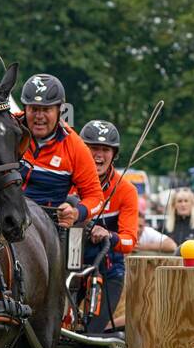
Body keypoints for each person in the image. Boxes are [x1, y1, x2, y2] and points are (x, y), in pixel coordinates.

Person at [15, 73, 103, 227]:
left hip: (43, 224)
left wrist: (76, 213)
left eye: (46, 109)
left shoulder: (76, 147)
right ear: (25, 108)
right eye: (34, 109)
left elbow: (96, 198)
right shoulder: (7, 127)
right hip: (0, 212)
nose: (39, 116)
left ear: (59, 110)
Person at [77, 120, 138, 330]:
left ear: (114, 154)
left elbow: (129, 240)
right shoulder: (70, 182)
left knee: (93, 332)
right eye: (93, 148)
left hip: (108, 270)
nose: (98, 155)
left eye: (105, 150)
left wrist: (108, 236)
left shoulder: (126, 190)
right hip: (68, 266)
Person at [164, 188, 194, 264]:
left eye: (186, 201)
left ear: (192, 204)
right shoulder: (165, 227)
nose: (183, 204)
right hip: (170, 268)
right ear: (174, 205)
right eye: (179, 201)